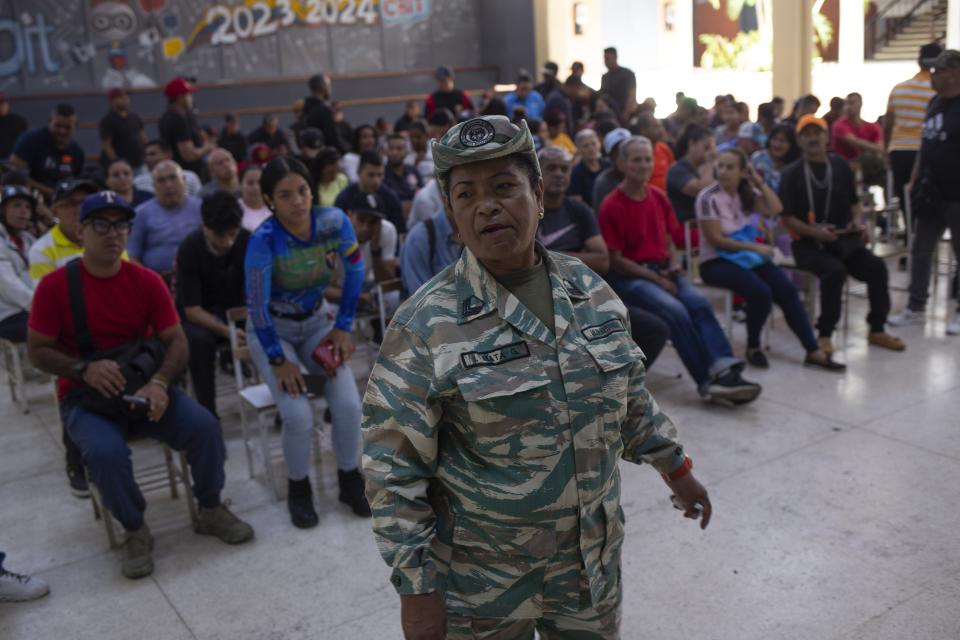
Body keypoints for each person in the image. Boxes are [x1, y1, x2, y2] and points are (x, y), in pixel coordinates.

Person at [362, 115, 711, 640]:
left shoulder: (588, 292)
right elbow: (392, 472)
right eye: (466, 195)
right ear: (453, 217)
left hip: (589, 567)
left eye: (504, 186)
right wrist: (417, 592)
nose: (487, 206)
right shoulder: (425, 324)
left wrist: (676, 469)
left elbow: (629, 400)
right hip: (486, 584)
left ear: (539, 193)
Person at [27, 191, 254, 579]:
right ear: (80, 230)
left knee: (204, 427)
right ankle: (134, 528)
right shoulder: (55, 287)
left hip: (146, 387)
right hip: (87, 397)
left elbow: (177, 340)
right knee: (104, 453)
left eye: (121, 224)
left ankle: (211, 507)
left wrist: (161, 382)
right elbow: (38, 350)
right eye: (102, 223)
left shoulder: (146, 281)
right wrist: (83, 369)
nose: (113, 233)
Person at [244, 157, 369, 527]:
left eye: (302, 190)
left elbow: (357, 268)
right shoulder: (263, 241)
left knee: (347, 405)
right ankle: (299, 489)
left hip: (319, 322)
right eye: (285, 195)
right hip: (273, 331)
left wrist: (344, 325)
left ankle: (349, 479)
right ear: (269, 200)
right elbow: (256, 305)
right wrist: (277, 359)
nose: (297, 201)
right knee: (296, 414)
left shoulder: (334, 221)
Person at [601, 136, 761, 404]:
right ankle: (707, 382)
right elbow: (615, 260)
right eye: (636, 159)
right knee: (675, 311)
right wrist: (656, 278)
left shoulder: (658, 197)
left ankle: (725, 369)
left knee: (699, 303)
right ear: (622, 164)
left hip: (664, 270)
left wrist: (673, 264)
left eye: (647, 159)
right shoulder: (611, 204)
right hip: (631, 277)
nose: (643, 165)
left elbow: (669, 240)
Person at [696, 149, 844, 371]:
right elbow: (716, 240)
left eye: (730, 167)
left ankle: (812, 350)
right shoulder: (708, 197)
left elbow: (776, 208)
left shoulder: (745, 193)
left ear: (743, 171)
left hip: (746, 257)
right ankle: (753, 346)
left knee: (786, 290)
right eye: (721, 166)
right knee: (760, 292)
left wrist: (757, 181)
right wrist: (754, 247)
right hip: (716, 261)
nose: (723, 172)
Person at [779, 115, 905, 353]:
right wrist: (814, 232)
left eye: (818, 133)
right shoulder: (792, 173)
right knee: (834, 271)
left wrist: (858, 222)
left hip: (843, 241)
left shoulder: (840, 166)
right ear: (799, 140)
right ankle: (825, 334)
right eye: (807, 134)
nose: (813, 138)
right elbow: (787, 219)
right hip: (807, 245)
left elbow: (854, 204)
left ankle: (877, 329)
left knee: (876, 268)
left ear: (827, 137)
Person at [539, 146, 670, 365]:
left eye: (564, 168)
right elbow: (526, 261)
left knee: (656, 329)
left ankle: (623, 390)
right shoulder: (529, 212)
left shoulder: (578, 210)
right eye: (551, 168)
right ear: (538, 173)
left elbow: (602, 261)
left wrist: (546, 254)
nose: (559, 174)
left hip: (585, 295)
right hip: (547, 300)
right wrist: (580, 257)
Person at [889, 49, 960, 335]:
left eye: (937, 72)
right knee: (920, 250)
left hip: (958, 195)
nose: (931, 76)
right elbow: (926, 142)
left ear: (954, 73)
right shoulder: (934, 103)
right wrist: (915, 177)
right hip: (931, 193)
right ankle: (916, 307)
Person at [177, 191, 249, 418]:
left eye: (232, 234)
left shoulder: (247, 240)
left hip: (240, 311)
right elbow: (192, 310)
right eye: (220, 235)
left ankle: (283, 400)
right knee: (198, 343)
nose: (227, 242)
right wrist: (227, 331)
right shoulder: (189, 248)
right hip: (203, 317)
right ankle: (208, 414)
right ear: (206, 227)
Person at [885, 43, 942, 230]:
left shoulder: (898, 88)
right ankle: (921, 237)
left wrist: (887, 148)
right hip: (923, 151)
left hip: (899, 150)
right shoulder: (937, 92)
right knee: (925, 198)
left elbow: (889, 124)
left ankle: (909, 235)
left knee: (904, 198)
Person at [128, 161, 202, 276]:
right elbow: (132, 256)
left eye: (173, 178)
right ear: (154, 186)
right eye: (161, 181)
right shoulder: (141, 213)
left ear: (184, 180)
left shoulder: (201, 208)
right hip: (157, 280)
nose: (168, 185)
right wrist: (150, 281)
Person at [9, 104, 85, 199]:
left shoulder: (78, 152)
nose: (62, 131)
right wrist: (50, 192)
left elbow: (76, 182)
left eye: (67, 127)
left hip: (63, 202)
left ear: (76, 126)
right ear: (50, 121)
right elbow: (15, 174)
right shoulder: (31, 140)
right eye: (58, 125)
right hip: (30, 199)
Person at [334, 151, 406, 233]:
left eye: (380, 175)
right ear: (359, 173)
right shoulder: (344, 198)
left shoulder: (391, 199)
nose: (376, 181)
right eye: (371, 175)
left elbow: (400, 233)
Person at [0, 186, 37, 343]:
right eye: (16, 205)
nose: (23, 211)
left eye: (27, 207)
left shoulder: (30, 240)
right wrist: (42, 307)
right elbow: (8, 285)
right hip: (6, 316)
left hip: (29, 310)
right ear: (2, 210)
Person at [399, 206, 462, 296]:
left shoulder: (473, 234)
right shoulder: (419, 238)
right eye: (465, 196)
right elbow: (420, 298)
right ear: (446, 200)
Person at [158, 78, 214, 177]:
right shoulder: (178, 119)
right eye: (188, 95)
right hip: (188, 174)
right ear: (180, 97)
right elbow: (188, 155)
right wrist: (207, 147)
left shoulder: (166, 117)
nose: (191, 98)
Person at [667, 125, 717, 224]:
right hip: (685, 227)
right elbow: (704, 190)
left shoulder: (705, 168)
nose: (710, 152)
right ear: (692, 143)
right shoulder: (678, 170)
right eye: (706, 147)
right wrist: (710, 162)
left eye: (712, 148)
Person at [99, 88, 147, 173]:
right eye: (121, 97)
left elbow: (143, 139)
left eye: (126, 96)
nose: (125, 99)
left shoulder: (134, 117)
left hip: (138, 164)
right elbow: (107, 145)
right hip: (122, 168)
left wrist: (147, 155)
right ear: (113, 101)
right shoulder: (108, 121)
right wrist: (117, 163)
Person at [135, 140, 202, 198]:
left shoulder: (190, 177)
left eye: (153, 154)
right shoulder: (137, 182)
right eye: (145, 156)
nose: (148, 159)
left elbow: (199, 200)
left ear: (168, 154)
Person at [831, 92, 884, 163]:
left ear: (860, 104)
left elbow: (881, 148)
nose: (848, 107)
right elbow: (854, 141)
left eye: (852, 103)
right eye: (846, 104)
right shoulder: (839, 125)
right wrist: (874, 148)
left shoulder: (873, 127)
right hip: (845, 165)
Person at [301, 73, 345, 154]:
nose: (330, 89)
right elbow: (332, 138)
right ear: (323, 87)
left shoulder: (305, 109)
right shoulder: (324, 110)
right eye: (329, 85)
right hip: (327, 156)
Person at [750, 123, 801, 193]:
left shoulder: (795, 166)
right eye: (774, 139)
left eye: (782, 141)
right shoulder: (757, 159)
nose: (777, 145)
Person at [631, 113, 675, 192]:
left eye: (660, 126)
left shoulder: (664, 148)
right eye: (656, 127)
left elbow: (674, 172)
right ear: (643, 130)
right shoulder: (635, 152)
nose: (661, 130)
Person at [383, 133, 423, 217]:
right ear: (386, 151)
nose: (394, 152)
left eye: (399, 149)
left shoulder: (413, 170)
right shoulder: (381, 174)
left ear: (406, 151)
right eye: (391, 148)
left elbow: (423, 193)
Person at [567, 129, 610, 207]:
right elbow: (577, 204)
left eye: (594, 144)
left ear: (599, 144)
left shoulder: (608, 166)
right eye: (585, 146)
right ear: (579, 149)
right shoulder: (576, 174)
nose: (591, 148)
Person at [591, 127, 631, 209]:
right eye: (619, 152)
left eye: (627, 151)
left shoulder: (642, 173)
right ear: (611, 157)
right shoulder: (603, 184)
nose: (624, 156)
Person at [600, 47, 637, 122]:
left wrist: (625, 115)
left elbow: (632, 95)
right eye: (604, 59)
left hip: (625, 115)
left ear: (615, 57)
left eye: (607, 58)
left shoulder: (627, 74)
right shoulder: (605, 77)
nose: (605, 62)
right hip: (611, 117)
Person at [238, 164, 271, 231]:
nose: (256, 188)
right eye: (250, 183)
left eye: (259, 182)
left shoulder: (275, 209)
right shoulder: (234, 208)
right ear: (240, 185)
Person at [0, 94, 28, 160]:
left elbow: (28, 140)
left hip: (14, 161)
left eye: (3, 103)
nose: (1, 106)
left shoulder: (18, 120)